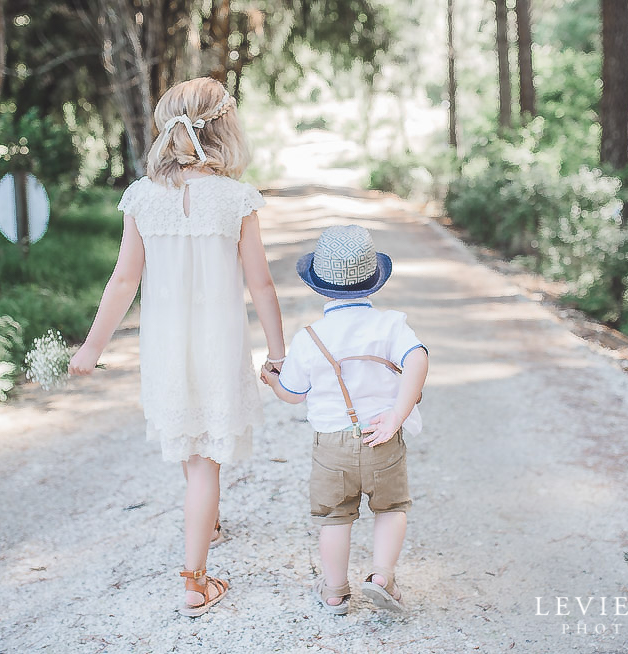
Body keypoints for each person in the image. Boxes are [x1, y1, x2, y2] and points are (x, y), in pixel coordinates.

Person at [68, 77, 286, 617]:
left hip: (166, 349)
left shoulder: (144, 197)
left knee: (194, 450)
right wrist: (277, 354)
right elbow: (261, 283)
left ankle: (205, 518)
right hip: (217, 348)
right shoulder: (237, 199)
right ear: (226, 131)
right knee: (206, 459)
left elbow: (124, 281)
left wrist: (91, 348)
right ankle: (194, 579)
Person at [262, 225, 428, 615]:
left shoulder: (310, 338)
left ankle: (335, 590)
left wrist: (271, 379)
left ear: (319, 286)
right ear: (373, 282)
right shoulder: (390, 325)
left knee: (335, 517)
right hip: (381, 436)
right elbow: (417, 358)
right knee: (390, 509)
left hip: (331, 445)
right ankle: (383, 576)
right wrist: (395, 416)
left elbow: (292, 394)